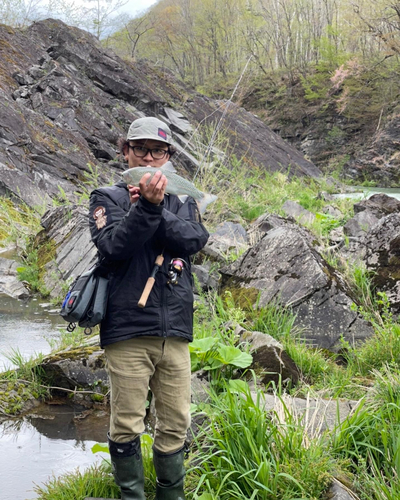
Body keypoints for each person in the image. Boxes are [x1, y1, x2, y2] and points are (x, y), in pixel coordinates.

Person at [88, 116, 209, 500]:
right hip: (126, 330)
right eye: (141, 148)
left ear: (168, 157)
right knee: (126, 424)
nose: (149, 157)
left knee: (175, 423)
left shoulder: (184, 200)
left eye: (158, 151)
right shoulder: (107, 197)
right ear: (126, 151)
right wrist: (147, 209)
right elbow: (114, 246)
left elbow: (193, 240)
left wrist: (157, 208)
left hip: (175, 329)